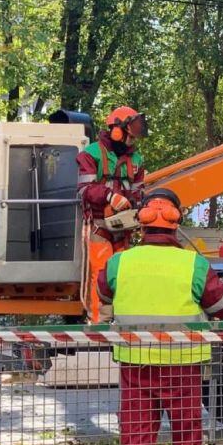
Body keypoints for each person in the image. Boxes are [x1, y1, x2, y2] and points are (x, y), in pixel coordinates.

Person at [97, 188, 223, 445]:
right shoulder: (194, 264)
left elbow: (104, 292)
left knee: (136, 436)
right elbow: (222, 306)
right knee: (187, 436)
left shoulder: (119, 262)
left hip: (136, 364)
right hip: (183, 366)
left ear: (141, 221)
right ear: (177, 221)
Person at [77, 106, 148, 321]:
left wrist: (139, 208)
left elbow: (138, 192)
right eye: (132, 128)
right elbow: (83, 189)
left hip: (123, 226)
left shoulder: (136, 160)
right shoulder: (91, 154)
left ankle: (121, 320)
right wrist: (110, 196)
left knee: (122, 274)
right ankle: (99, 324)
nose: (134, 135)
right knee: (100, 272)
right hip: (99, 224)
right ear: (117, 130)